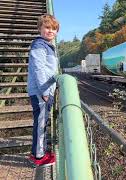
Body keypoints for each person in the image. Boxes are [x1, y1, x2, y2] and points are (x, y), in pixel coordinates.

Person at [27, 14, 59, 167]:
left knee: (41, 122)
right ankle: (39, 157)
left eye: (54, 29)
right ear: (39, 28)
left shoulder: (46, 45)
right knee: (41, 124)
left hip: (43, 90)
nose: (51, 31)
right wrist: (45, 92)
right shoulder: (39, 45)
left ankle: (38, 151)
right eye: (47, 27)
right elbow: (39, 69)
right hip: (41, 92)